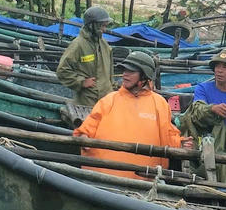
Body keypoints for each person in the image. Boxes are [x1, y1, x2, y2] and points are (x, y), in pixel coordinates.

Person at [73, 50, 187, 179]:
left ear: (144, 75)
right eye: (124, 70)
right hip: (101, 178)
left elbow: (168, 136)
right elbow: (86, 129)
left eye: (131, 71)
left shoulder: (159, 103)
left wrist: (182, 144)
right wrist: (83, 138)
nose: (125, 75)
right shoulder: (109, 100)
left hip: (142, 182)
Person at [56, 6, 114, 108]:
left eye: (105, 26)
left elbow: (110, 72)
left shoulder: (104, 45)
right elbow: (62, 70)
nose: (104, 30)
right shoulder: (78, 45)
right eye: (102, 26)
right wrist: (81, 82)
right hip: (87, 101)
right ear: (92, 25)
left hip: (106, 100)